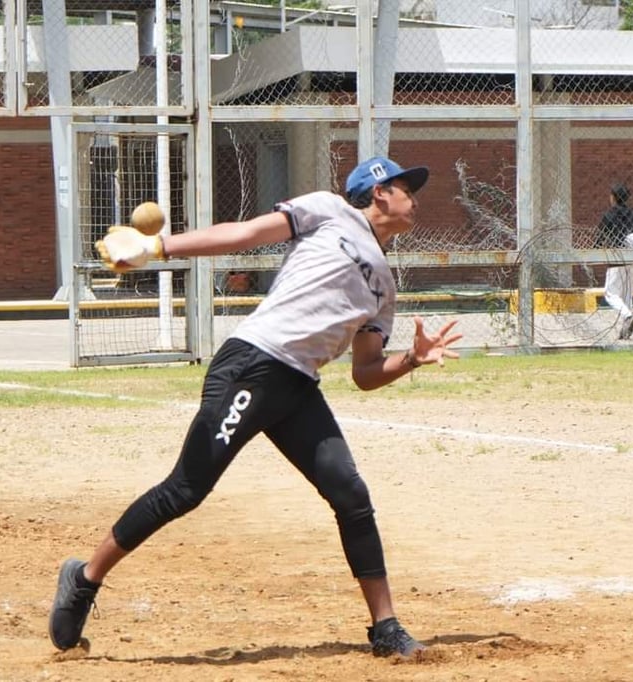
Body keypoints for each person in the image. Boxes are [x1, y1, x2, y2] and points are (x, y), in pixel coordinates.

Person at [49, 156, 463, 658]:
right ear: (378, 192)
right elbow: (246, 235)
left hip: (297, 387)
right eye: (405, 188)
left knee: (349, 492)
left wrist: (413, 360)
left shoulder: (384, 286)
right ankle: (85, 578)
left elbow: (365, 373)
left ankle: (386, 626)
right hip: (254, 362)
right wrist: (157, 247)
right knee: (187, 488)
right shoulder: (329, 210)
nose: (413, 198)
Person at [595, 183, 633, 340]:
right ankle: (626, 330)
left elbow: (600, 238)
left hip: (616, 259)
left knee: (610, 293)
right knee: (627, 295)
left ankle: (627, 316)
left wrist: (596, 249)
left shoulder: (609, 215)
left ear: (613, 197)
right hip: (632, 259)